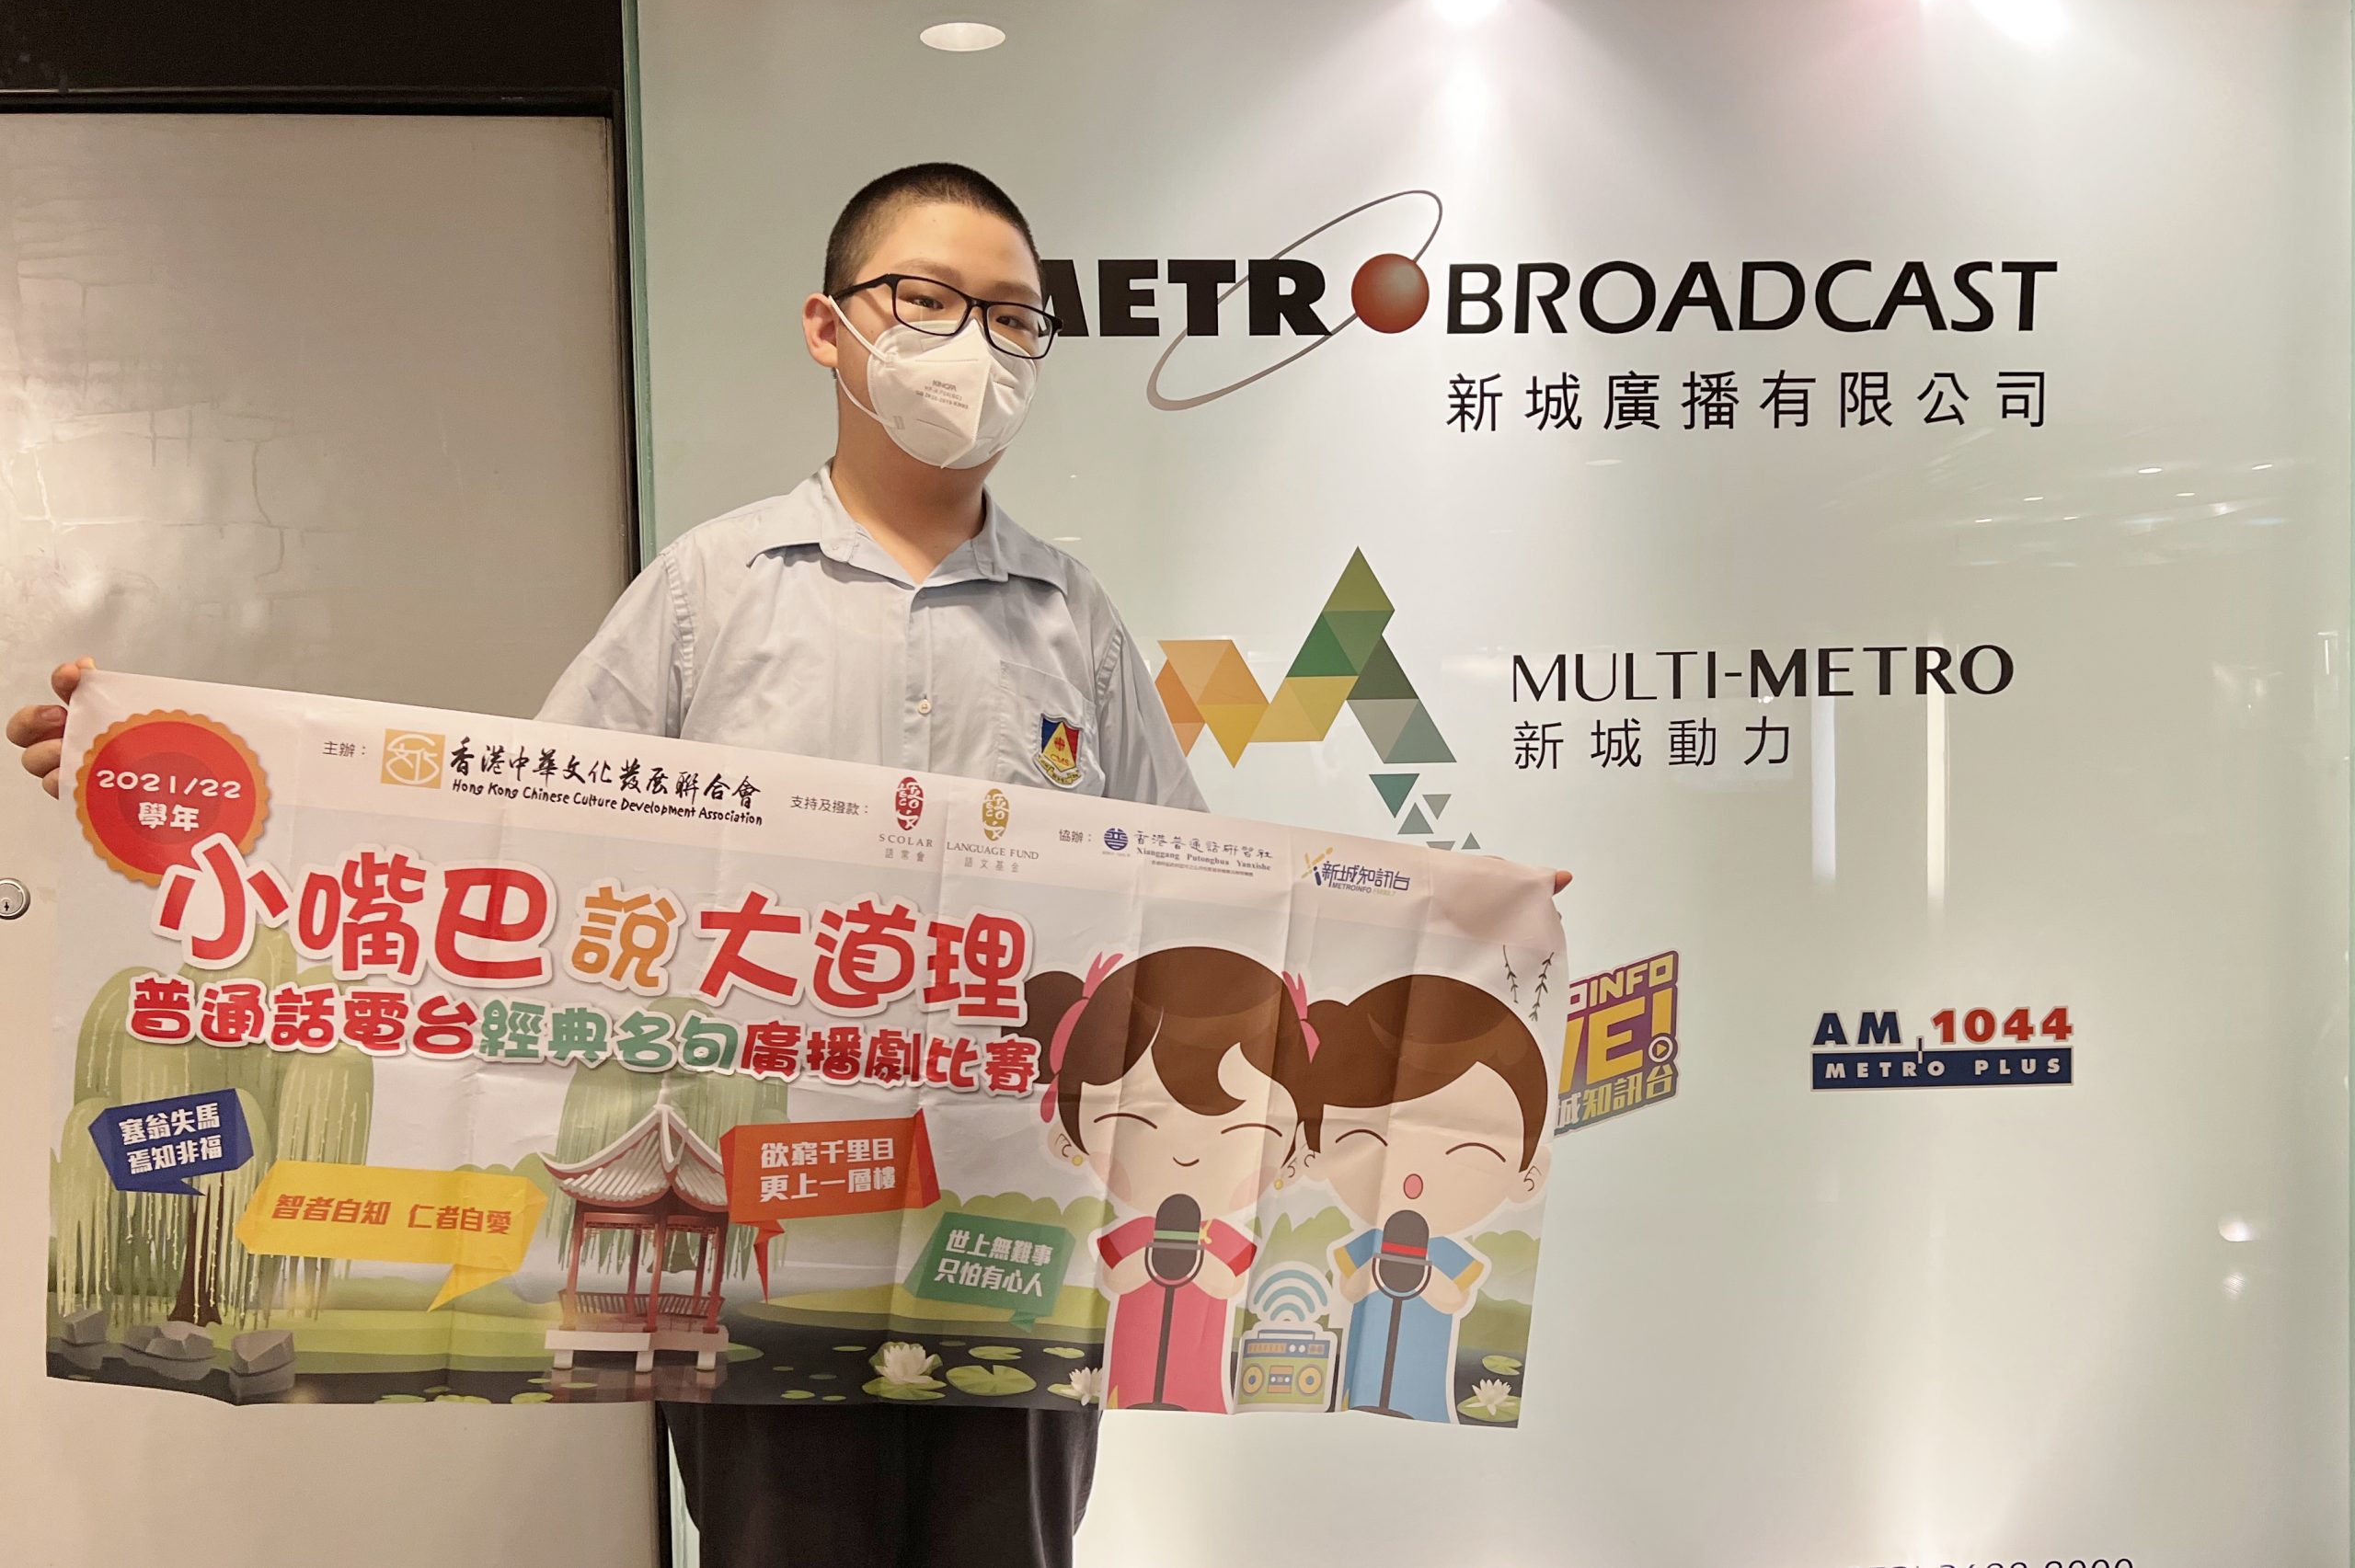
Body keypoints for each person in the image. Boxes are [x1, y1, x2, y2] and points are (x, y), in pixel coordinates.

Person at [11, 160, 1570, 1563]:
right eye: (930, 301)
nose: (975, 345)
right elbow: (505, 836)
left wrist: (1457, 929)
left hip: (1014, 1223)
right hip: (762, 1223)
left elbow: (1208, 891)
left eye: (1014, 318)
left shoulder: (1073, 620)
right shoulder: (711, 593)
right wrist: (173, 763)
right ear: (830, 328)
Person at [1019, 946, 1320, 1413]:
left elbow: (1229, 1285)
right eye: (1136, 1125)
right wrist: (1148, 1260)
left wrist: (1198, 1263)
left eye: (1240, 1134)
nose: (1185, 1155)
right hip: (1125, 1356)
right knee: (1121, 1382)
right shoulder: (1134, 1231)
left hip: (1199, 1359)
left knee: (1195, 1386)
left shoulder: (1224, 1236)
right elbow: (1113, 1276)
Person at [1302, 973, 1553, 1425]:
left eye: (1468, 1153)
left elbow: (1454, 1298)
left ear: (1528, 1173)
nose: (1412, 1181)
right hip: (1349, 1391)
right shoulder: (1365, 1238)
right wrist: (1373, 1272)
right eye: (1366, 1141)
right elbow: (1349, 1287)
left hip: (1427, 1383)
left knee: (1418, 1396)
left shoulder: (1448, 1253)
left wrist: (1425, 1277)